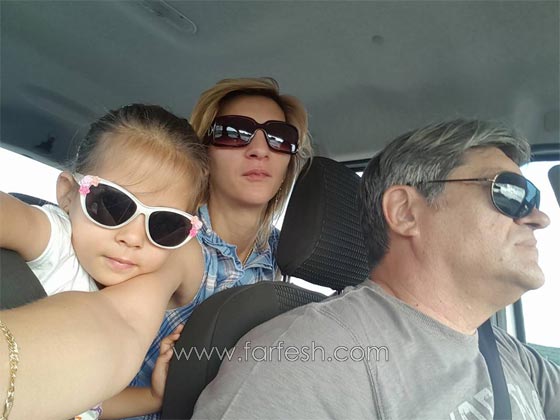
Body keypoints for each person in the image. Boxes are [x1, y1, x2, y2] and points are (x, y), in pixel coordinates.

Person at [192, 119, 560, 419]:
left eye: (534, 198)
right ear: (405, 211)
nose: (539, 217)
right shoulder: (308, 357)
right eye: (510, 193)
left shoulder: (506, 351)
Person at [0, 104, 208, 419]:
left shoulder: (138, 295)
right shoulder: (55, 239)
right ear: (68, 194)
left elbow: (88, 402)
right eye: (112, 204)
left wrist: (153, 397)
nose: (133, 237)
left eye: (165, 225)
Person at [127, 77, 312, 419]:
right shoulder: (172, 237)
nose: (260, 150)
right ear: (204, 151)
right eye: (235, 132)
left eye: (279, 137)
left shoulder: (284, 258)